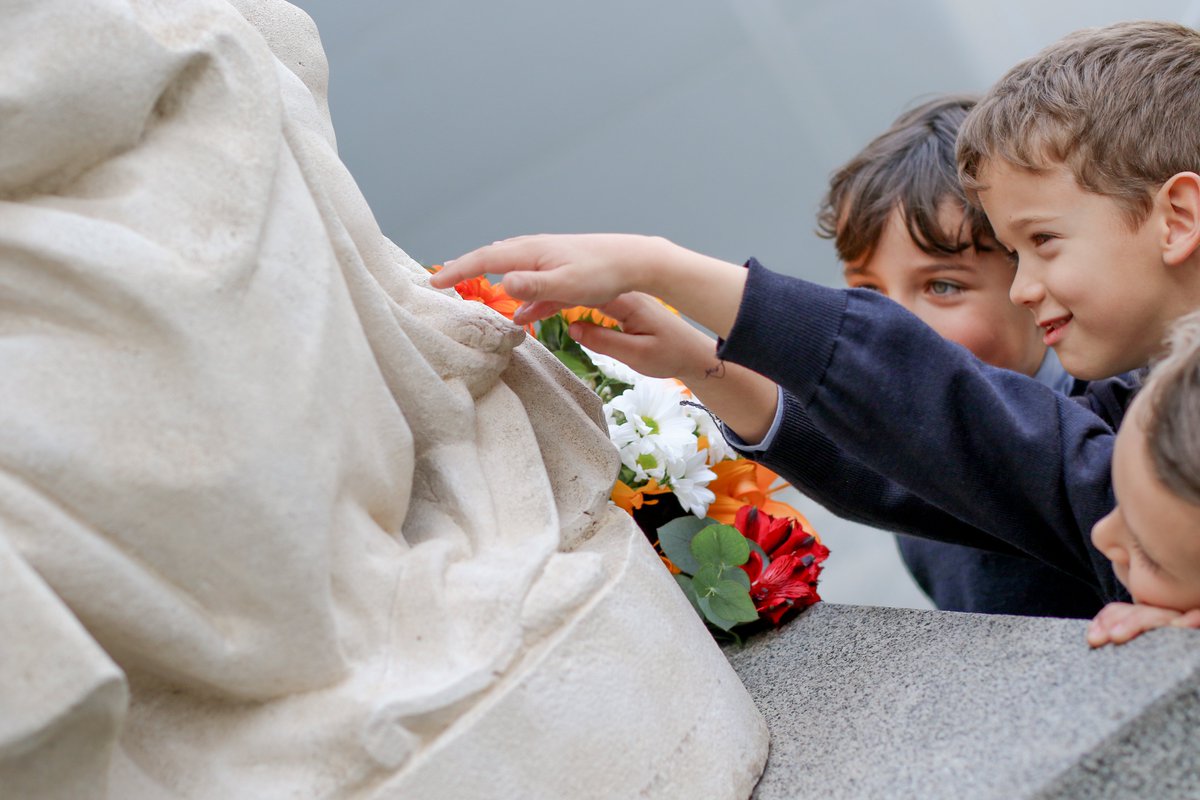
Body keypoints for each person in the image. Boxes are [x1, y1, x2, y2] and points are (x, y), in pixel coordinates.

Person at [431, 20, 1200, 643]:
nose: (1031, 285)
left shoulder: (1132, 419)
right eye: (866, 293)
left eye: (1043, 243)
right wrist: (702, 359)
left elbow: (1000, 446)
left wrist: (673, 271)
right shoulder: (1123, 398)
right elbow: (920, 454)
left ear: (1178, 218)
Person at [818, 93, 1101, 617]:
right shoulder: (911, 475)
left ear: (1030, 276)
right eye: (869, 292)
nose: (891, 326)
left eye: (942, 286)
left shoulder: (1112, 423)